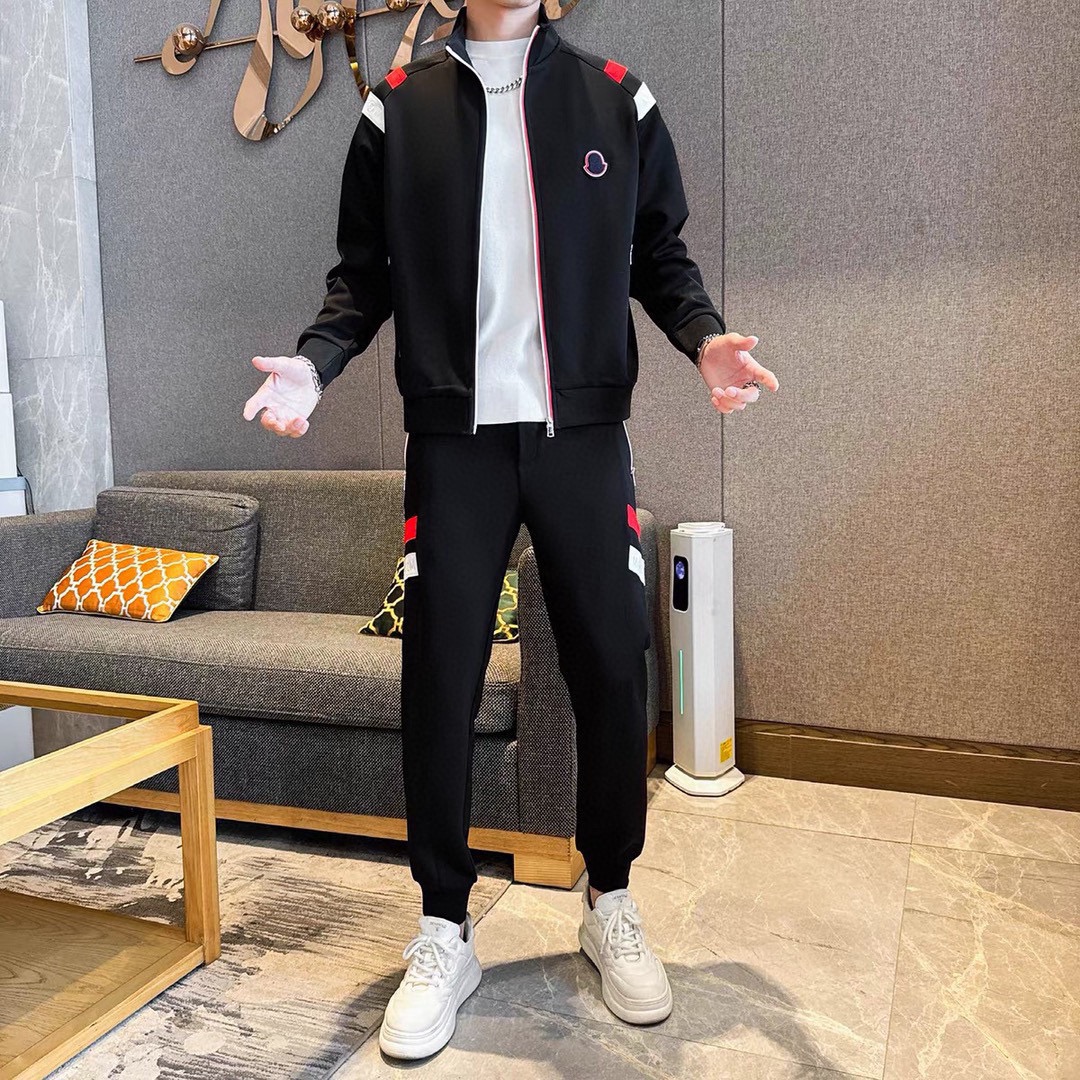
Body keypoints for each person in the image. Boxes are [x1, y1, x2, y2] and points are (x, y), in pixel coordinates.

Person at [243, 0, 778, 1060]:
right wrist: (315, 362)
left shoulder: (615, 99)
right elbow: (360, 277)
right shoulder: (398, 109)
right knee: (438, 674)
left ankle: (609, 899)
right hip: (457, 446)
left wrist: (704, 337)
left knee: (611, 664)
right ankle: (445, 926)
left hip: (583, 438)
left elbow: (659, 255)